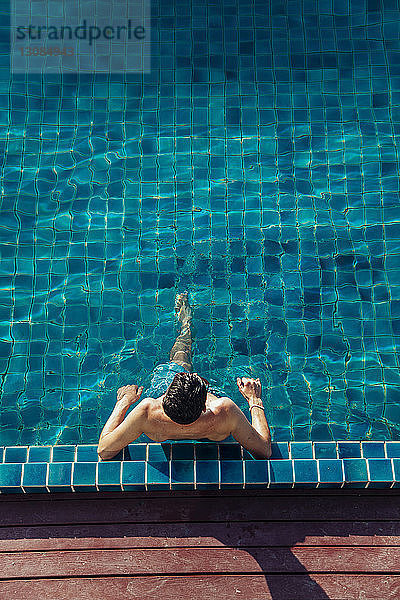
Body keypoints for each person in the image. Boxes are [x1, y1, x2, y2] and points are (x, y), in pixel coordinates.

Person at [98, 292, 271, 460]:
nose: (194, 374)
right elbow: (264, 451)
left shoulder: (148, 411)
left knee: (179, 363)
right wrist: (254, 400)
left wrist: (124, 401)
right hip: (213, 429)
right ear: (204, 407)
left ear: (166, 398)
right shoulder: (224, 410)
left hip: (162, 427)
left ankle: (185, 328)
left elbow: (104, 451)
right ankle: (187, 326)